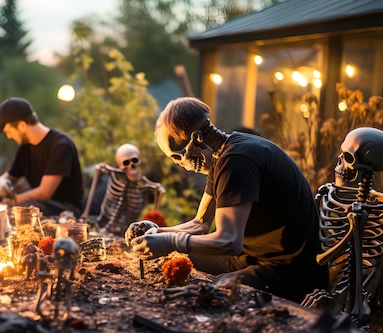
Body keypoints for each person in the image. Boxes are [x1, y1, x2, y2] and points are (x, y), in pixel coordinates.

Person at [126, 97, 329, 303]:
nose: (179, 164)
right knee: (175, 257)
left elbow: (229, 241)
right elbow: (200, 224)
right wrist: (155, 231)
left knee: (217, 291)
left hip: (288, 271)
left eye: (178, 156)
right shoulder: (221, 155)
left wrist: (170, 241)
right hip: (249, 257)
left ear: (197, 139)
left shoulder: (237, 161)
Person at [0, 97, 84, 217]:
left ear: (22, 125)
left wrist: (12, 201)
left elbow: (45, 193)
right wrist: (2, 183)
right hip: (40, 204)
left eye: (8, 131)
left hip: (65, 208)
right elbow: (10, 177)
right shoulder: (25, 148)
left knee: (24, 209)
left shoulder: (60, 146)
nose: (8, 136)